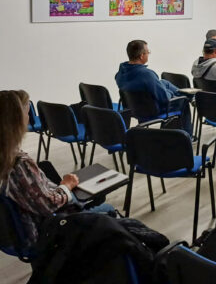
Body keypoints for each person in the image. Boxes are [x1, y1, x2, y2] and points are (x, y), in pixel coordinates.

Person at [0, 90, 113, 246]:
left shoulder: (6, 156)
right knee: (109, 210)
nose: (28, 118)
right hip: (44, 230)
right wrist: (66, 185)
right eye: (26, 114)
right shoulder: (19, 163)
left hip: (14, 230)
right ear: (16, 120)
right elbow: (48, 205)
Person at [115, 39, 181, 111]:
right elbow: (164, 98)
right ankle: (189, 96)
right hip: (151, 110)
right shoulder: (147, 75)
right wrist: (170, 93)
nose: (148, 54)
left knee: (164, 82)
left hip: (134, 107)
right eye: (148, 52)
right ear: (142, 56)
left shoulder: (120, 74)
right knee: (183, 101)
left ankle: (188, 94)